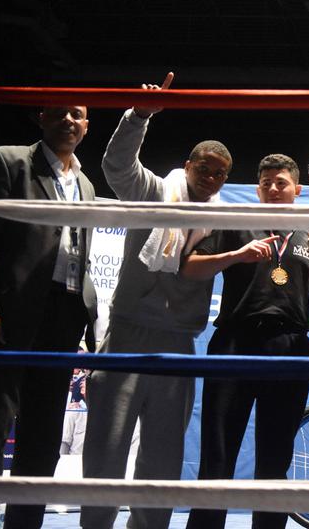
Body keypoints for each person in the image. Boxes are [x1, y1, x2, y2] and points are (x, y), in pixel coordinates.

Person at [80, 72, 234, 529]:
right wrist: (139, 116)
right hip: (127, 334)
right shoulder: (153, 192)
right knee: (105, 450)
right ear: (188, 165)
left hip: (179, 346)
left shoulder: (226, 216)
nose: (210, 177)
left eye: (219, 173)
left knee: (163, 456)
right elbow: (117, 167)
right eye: (204, 167)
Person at [0, 105, 98, 528]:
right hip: (11, 314)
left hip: (66, 314)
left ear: (87, 126)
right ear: (41, 117)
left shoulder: (87, 185)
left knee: (43, 435)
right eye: (60, 113)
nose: (69, 121)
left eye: (78, 114)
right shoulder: (8, 160)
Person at [182, 153, 309, 529]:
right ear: (257, 189)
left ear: (297, 189)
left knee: (275, 457)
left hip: (290, 345)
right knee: (217, 455)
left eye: (280, 182)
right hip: (235, 342)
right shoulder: (238, 222)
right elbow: (188, 268)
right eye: (266, 183)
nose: (272, 189)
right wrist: (236, 255)